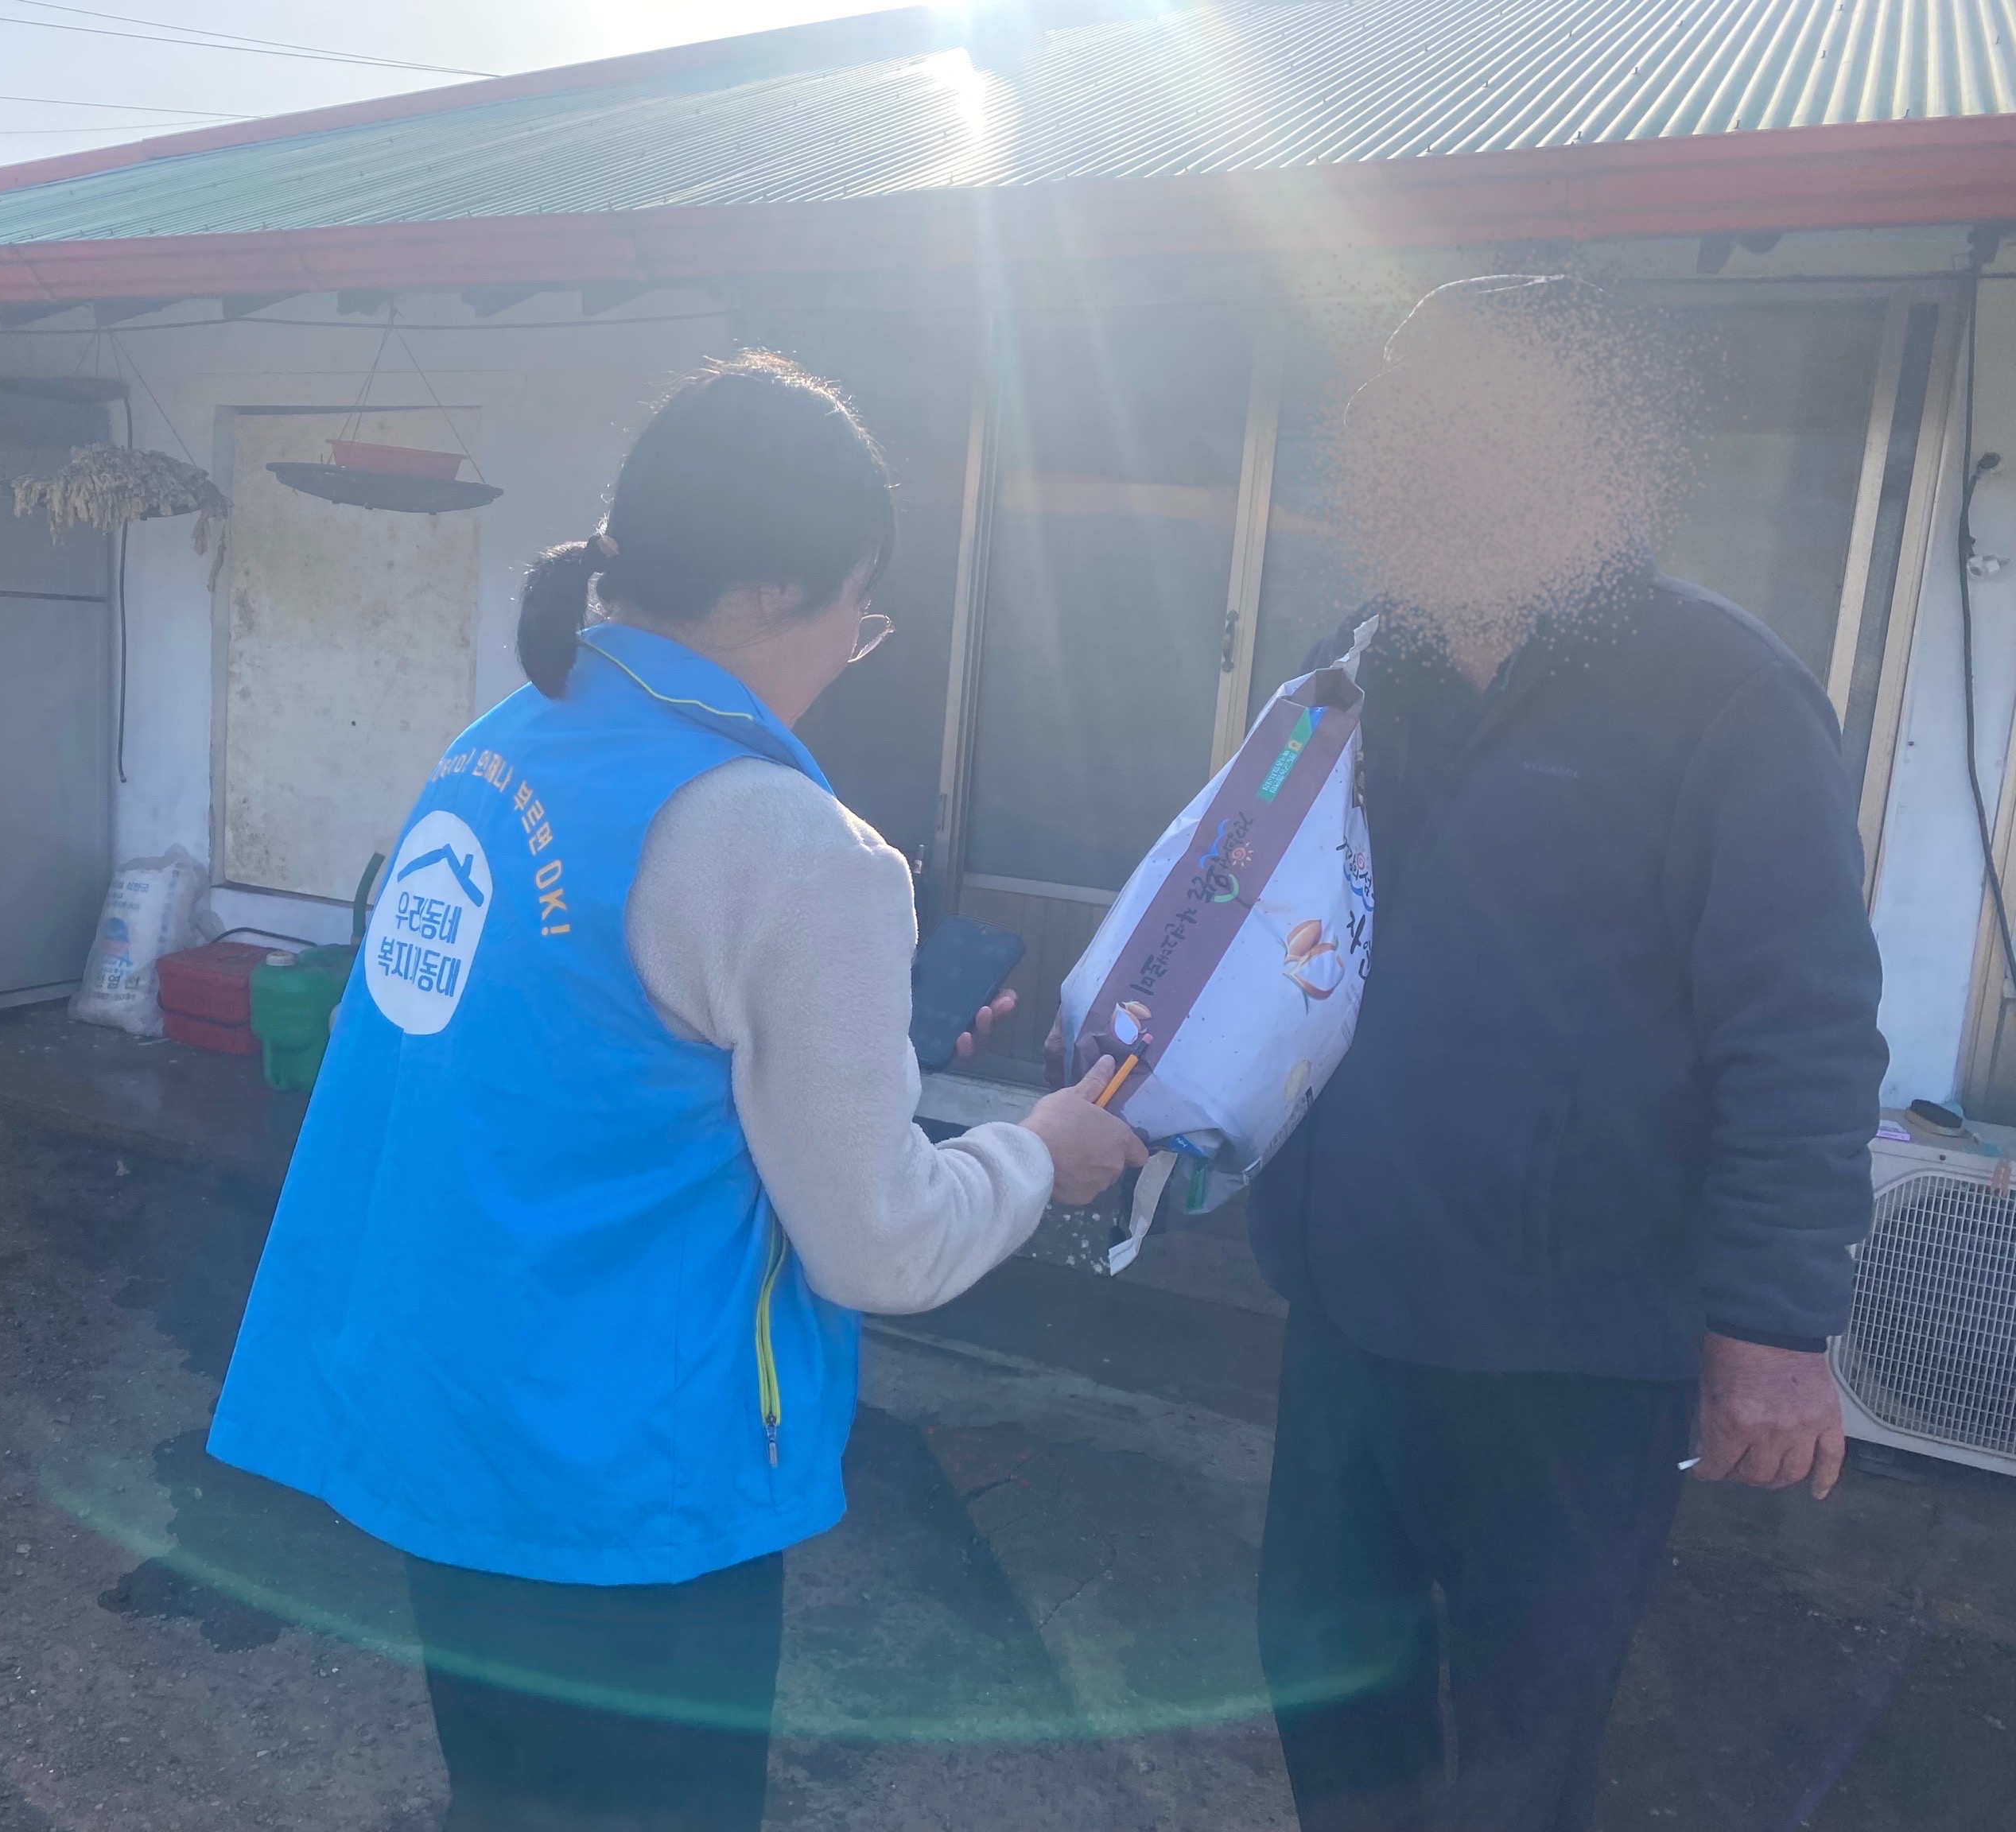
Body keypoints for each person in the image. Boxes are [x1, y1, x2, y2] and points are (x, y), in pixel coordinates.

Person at [208, 352, 1148, 1832]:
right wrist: (1040, 1152)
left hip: (448, 1425)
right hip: (622, 1489)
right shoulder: (788, 841)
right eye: (859, 609)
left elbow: (575, 1055)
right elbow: (883, 1244)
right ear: (773, 589)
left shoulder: (490, 750)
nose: (854, 650)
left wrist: (856, 1029)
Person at [1245, 278, 1890, 1831]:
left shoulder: (1722, 693)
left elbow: (1800, 1024)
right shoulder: (1351, 670)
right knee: (1326, 1692)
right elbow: (1251, 931)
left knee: (1524, 1744)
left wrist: (1773, 1326)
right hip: (1351, 1308)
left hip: (1577, 1350)